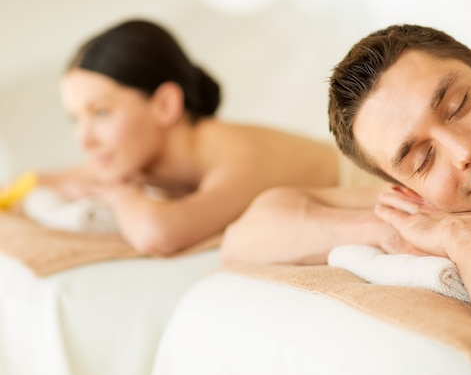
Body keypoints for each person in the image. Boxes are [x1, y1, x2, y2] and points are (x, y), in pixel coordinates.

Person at [222, 24, 471, 368]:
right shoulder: (452, 192)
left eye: (458, 106)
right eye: (422, 159)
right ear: (408, 188)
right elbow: (246, 237)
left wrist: (463, 236)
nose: (464, 151)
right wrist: (393, 227)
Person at [8, 18, 340, 255]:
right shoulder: (136, 154)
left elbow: (158, 234)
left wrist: (122, 195)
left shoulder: (234, 154)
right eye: (75, 119)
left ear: (165, 104)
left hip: (364, 179)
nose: (84, 140)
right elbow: (32, 184)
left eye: (100, 113)